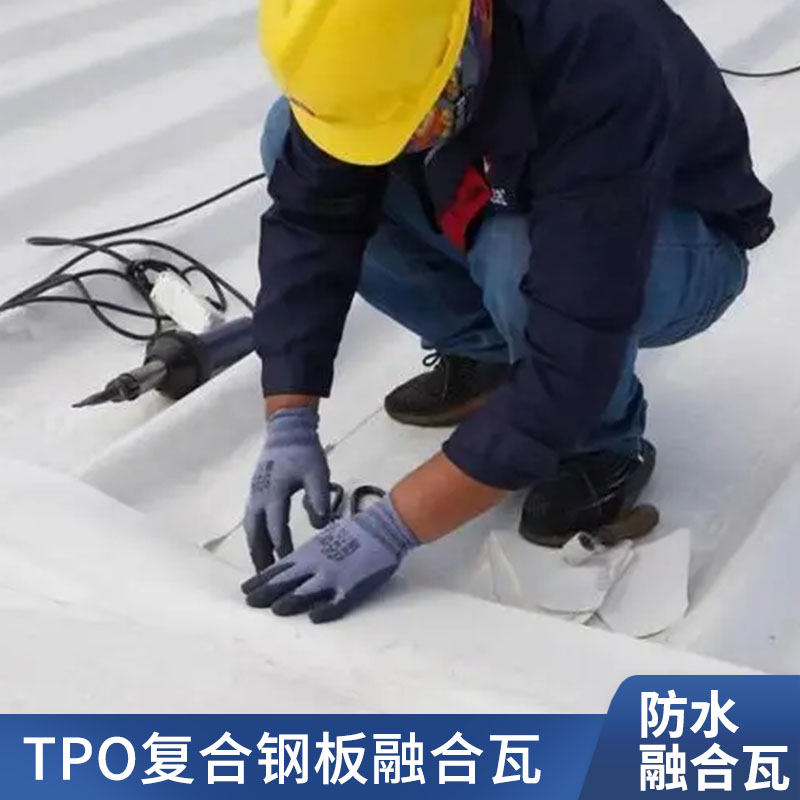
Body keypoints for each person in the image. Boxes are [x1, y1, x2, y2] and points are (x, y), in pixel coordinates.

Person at [240, 0, 774, 622]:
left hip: (676, 238)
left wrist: (392, 527)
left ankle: (602, 445)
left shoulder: (599, 53)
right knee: (295, 139)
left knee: (516, 256)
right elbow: (311, 221)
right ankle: (493, 360)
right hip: (506, 183)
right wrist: (290, 416)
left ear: (470, 27)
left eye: (420, 120)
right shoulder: (377, 39)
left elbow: (573, 352)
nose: (408, 141)